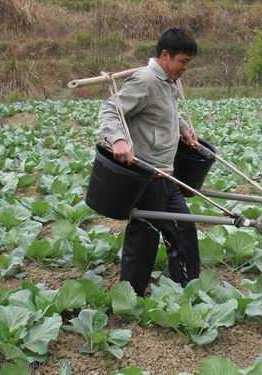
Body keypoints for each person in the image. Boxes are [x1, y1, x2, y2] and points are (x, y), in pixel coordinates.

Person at [99, 28, 200, 296]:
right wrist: (118, 141)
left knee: (183, 228)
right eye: (183, 61)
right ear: (165, 55)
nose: (185, 68)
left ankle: (187, 286)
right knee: (144, 236)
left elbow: (164, 114)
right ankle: (130, 296)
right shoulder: (145, 81)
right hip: (146, 176)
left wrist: (183, 128)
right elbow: (111, 110)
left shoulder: (169, 81)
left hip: (167, 174)